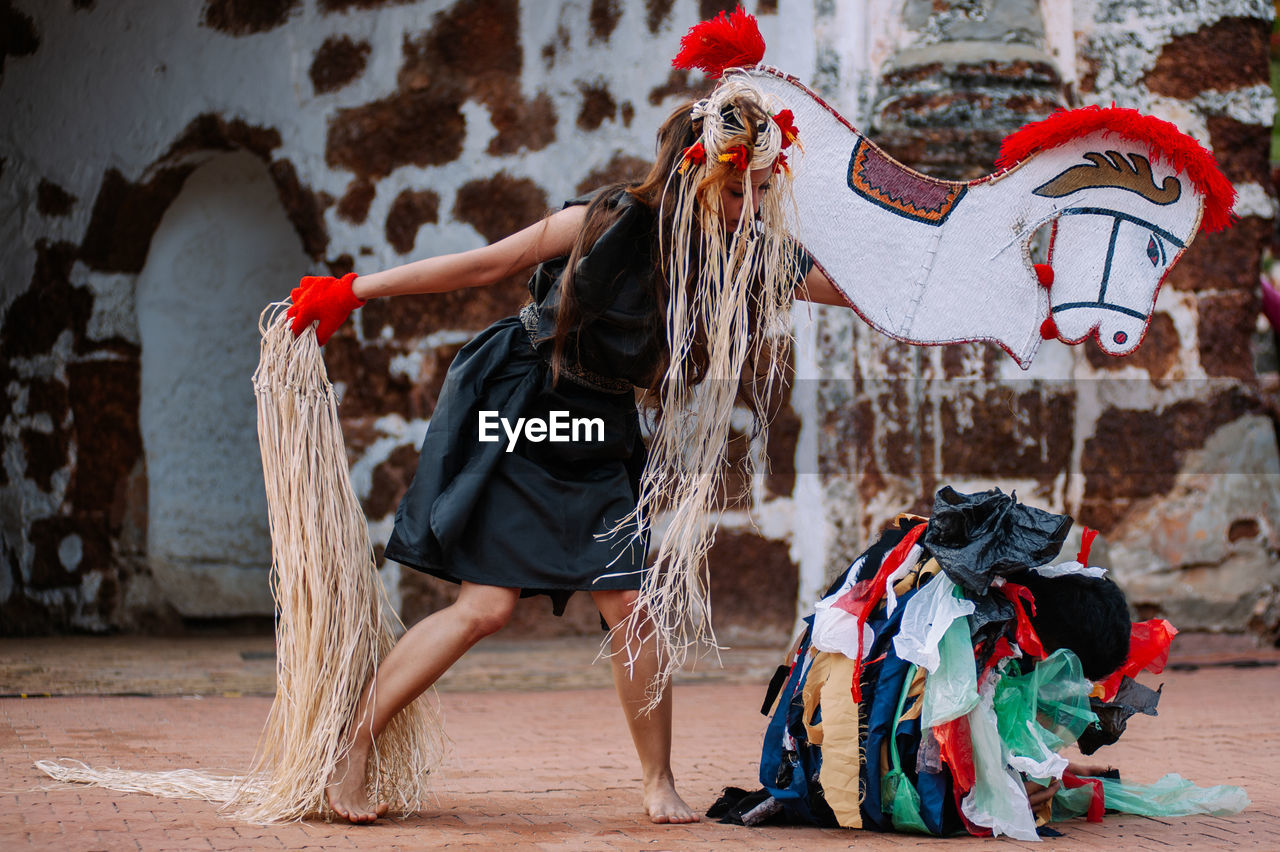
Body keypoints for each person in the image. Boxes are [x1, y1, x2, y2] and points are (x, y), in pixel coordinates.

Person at [287, 71, 850, 825]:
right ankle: (347, 749)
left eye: (757, 191)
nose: (749, 206)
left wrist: (1012, 305)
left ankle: (657, 782)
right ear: (696, 170)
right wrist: (352, 292)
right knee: (487, 606)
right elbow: (486, 265)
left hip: (601, 422)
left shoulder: (744, 252)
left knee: (632, 604)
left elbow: (848, 290)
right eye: (737, 189)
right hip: (523, 399)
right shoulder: (607, 217)